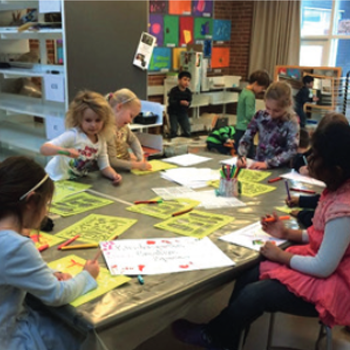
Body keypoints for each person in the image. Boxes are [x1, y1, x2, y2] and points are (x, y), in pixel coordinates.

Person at [172, 122, 350, 350]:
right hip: (323, 266)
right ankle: (225, 338)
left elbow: (323, 266)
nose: (309, 162)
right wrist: (287, 233)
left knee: (255, 295)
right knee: (250, 273)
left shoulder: (344, 208)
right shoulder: (337, 190)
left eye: (316, 158)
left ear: (336, 170)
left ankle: (215, 335)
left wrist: (281, 256)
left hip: (333, 284)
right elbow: (321, 236)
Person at [0, 156, 99, 350]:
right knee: (78, 336)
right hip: (9, 337)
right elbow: (57, 294)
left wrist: (46, 275)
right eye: (46, 204)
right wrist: (87, 276)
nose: (46, 212)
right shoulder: (14, 245)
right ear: (31, 201)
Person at [40, 90, 122, 185]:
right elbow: (44, 149)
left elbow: (104, 166)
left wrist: (114, 175)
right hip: (53, 178)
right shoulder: (73, 135)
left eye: (98, 120)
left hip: (72, 182)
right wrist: (65, 152)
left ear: (105, 121)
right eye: (88, 120)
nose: (93, 125)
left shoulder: (101, 141)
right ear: (79, 119)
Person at [287, 112, 349, 228]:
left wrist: (302, 214)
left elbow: (324, 220)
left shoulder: (341, 207)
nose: (311, 160)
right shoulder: (338, 184)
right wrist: (301, 201)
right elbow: (324, 201)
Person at [237, 81, 299, 170]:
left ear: (288, 105)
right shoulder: (260, 115)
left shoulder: (291, 121)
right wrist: (242, 156)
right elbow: (246, 138)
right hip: (258, 165)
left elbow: (292, 150)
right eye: (268, 108)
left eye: (277, 110)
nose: (271, 113)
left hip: (279, 170)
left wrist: (268, 164)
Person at [106, 88, 151, 171]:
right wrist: (136, 165)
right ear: (119, 107)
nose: (130, 121)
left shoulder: (123, 128)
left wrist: (140, 157)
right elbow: (112, 161)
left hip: (124, 168)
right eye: (131, 116)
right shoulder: (106, 130)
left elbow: (133, 140)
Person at [234, 70, 270, 156]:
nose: (261, 91)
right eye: (262, 88)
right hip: (245, 129)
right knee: (249, 156)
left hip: (239, 127)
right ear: (256, 83)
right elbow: (249, 114)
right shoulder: (250, 95)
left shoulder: (244, 91)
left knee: (242, 154)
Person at [168, 71, 192, 138]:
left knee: (187, 130)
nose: (186, 82)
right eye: (184, 79)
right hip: (173, 113)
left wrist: (187, 103)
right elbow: (171, 101)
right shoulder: (174, 91)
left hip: (183, 112)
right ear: (179, 80)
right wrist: (179, 102)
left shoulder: (188, 92)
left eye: (188, 80)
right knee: (174, 130)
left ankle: (184, 140)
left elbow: (189, 102)